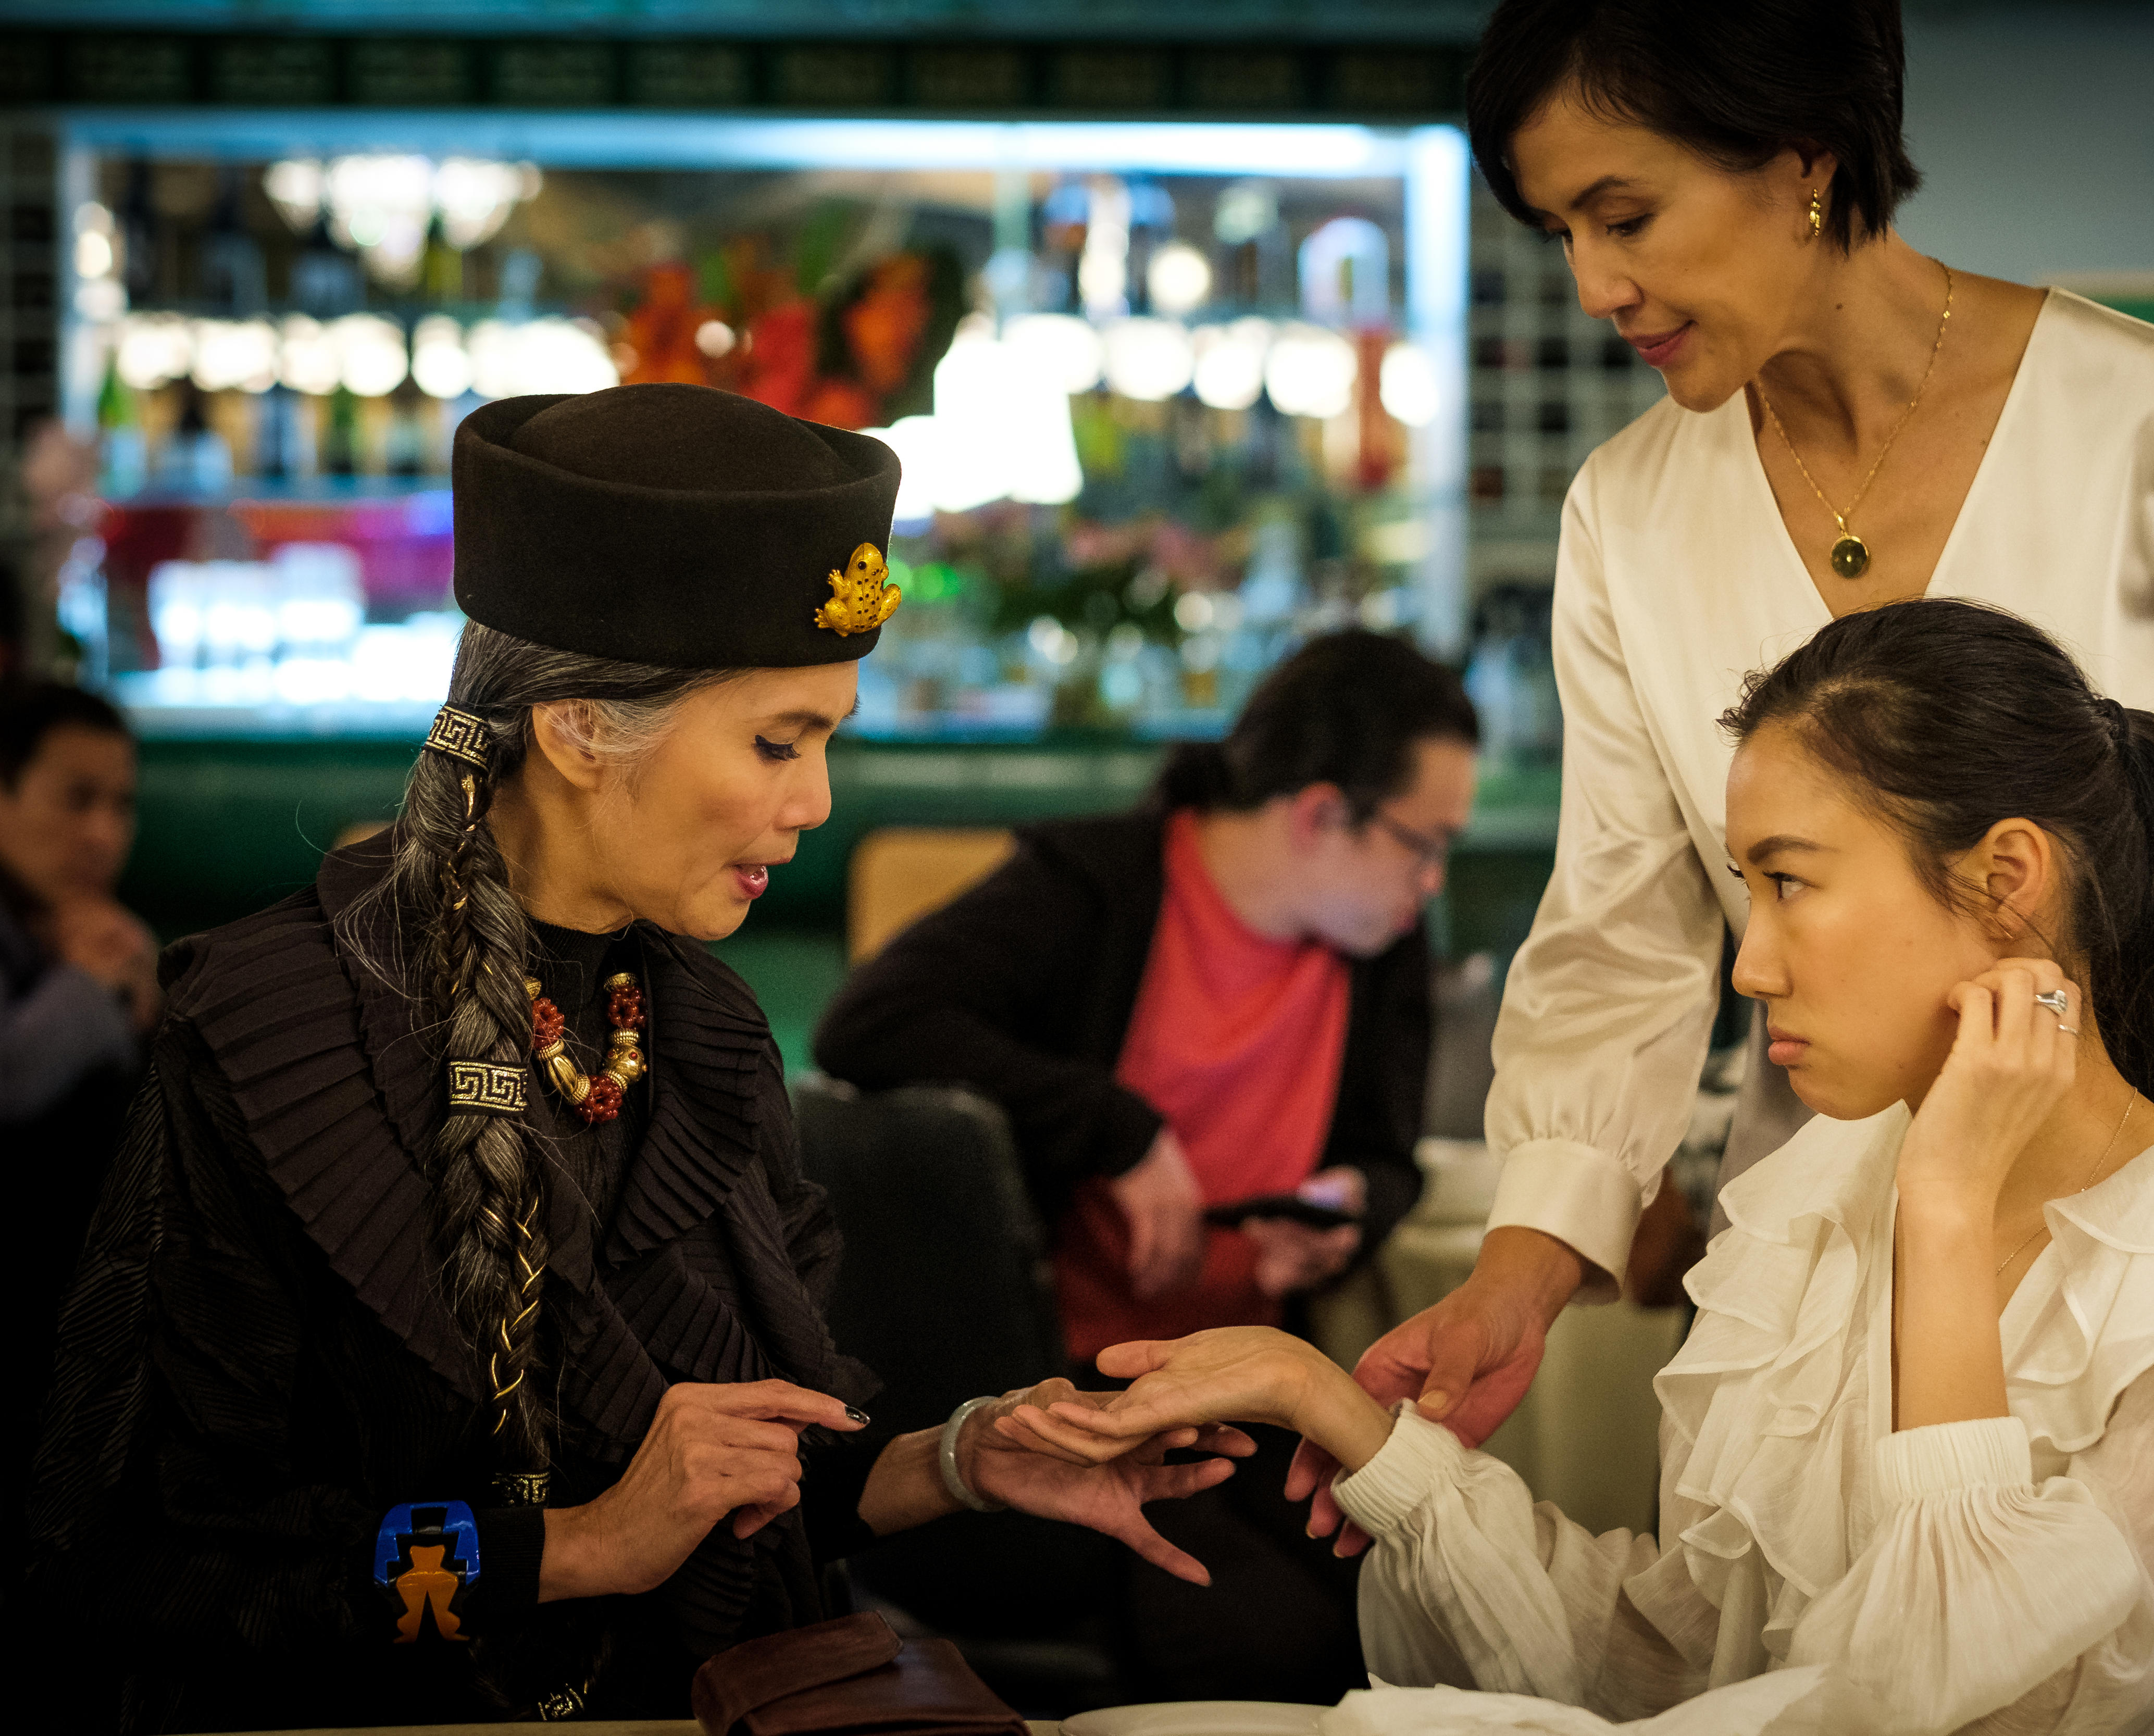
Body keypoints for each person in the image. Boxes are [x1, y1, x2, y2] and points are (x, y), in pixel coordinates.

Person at [1313, 0, 2154, 1541]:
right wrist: (1524, 1271)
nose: (1595, 286)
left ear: (1805, 156)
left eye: (1625, 215)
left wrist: (2067, 1076)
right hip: (1809, 1273)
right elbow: (1621, 938)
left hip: (2146, 1247)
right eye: (1559, 230)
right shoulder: (1627, 510)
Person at [1016, 600, 2154, 1735]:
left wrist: (1950, 1210)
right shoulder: (1821, 1208)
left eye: (1790, 880)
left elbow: (1983, 1711)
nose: (1750, 958)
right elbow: (1674, 1658)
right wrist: (1331, 1404)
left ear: (2007, 880)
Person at [26, 383, 1251, 1732]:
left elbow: (751, 1488)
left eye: (828, 736)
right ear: (579, 727)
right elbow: (135, 1562)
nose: (817, 801)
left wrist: (964, 1457)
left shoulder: (708, 1032)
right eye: (778, 740)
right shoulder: (274, 1037)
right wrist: (586, 1541)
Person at [812, 628, 1476, 1702]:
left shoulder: (1377, 942)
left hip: (1255, 1383)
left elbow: (1385, 1158)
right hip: (1065, 1396)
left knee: (1428, 1603)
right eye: (1421, 842)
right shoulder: (1095, 886)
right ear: (1319, 813)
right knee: (1272, 1645)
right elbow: (868, 1022)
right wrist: (1117, 1129)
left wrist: (1351, 1206)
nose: (1431, 878)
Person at [2, 680, 154, 1587]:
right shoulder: (80, 955)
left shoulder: (79, 936)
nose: (103, 833)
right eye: (75, 798)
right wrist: (98, 997)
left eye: (122, 805)